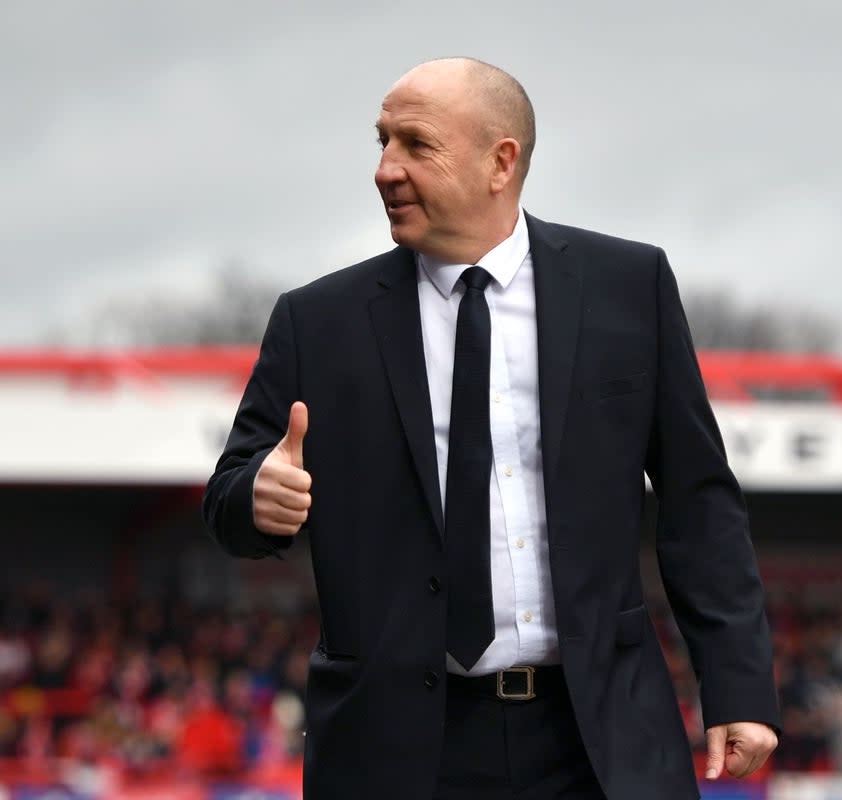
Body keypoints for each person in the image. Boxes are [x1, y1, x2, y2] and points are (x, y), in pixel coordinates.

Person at [203, 57, 779, 799]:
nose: (385, 169)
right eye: (381, 142)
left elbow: (699, 500)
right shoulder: (317, 322)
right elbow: (228, 501)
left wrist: (738, 685)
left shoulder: (629, 289)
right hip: (398, 752)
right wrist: (256, 495)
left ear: (500, 160)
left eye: (415, 144)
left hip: (597, 739)